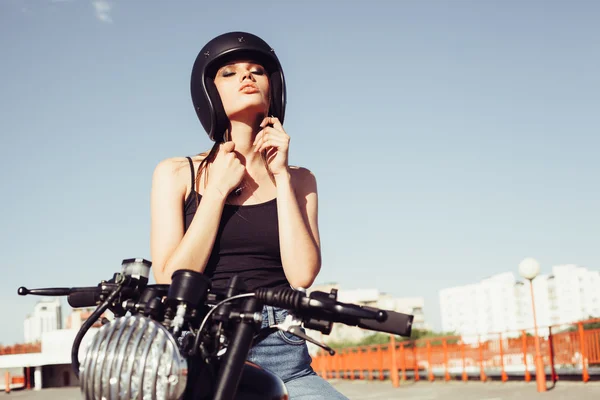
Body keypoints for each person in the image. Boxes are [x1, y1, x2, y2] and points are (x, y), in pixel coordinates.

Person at [149, 31, 348, 399]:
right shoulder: (177, 172)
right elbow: (169, 276)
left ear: (272, 88)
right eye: (230, 72)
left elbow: (301, 274)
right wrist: (218, 191)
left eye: (257, 70)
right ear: (209, 92)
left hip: (282, 347)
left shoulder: (301, 179)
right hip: (201, 346)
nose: (247, 76)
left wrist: (281, 177)